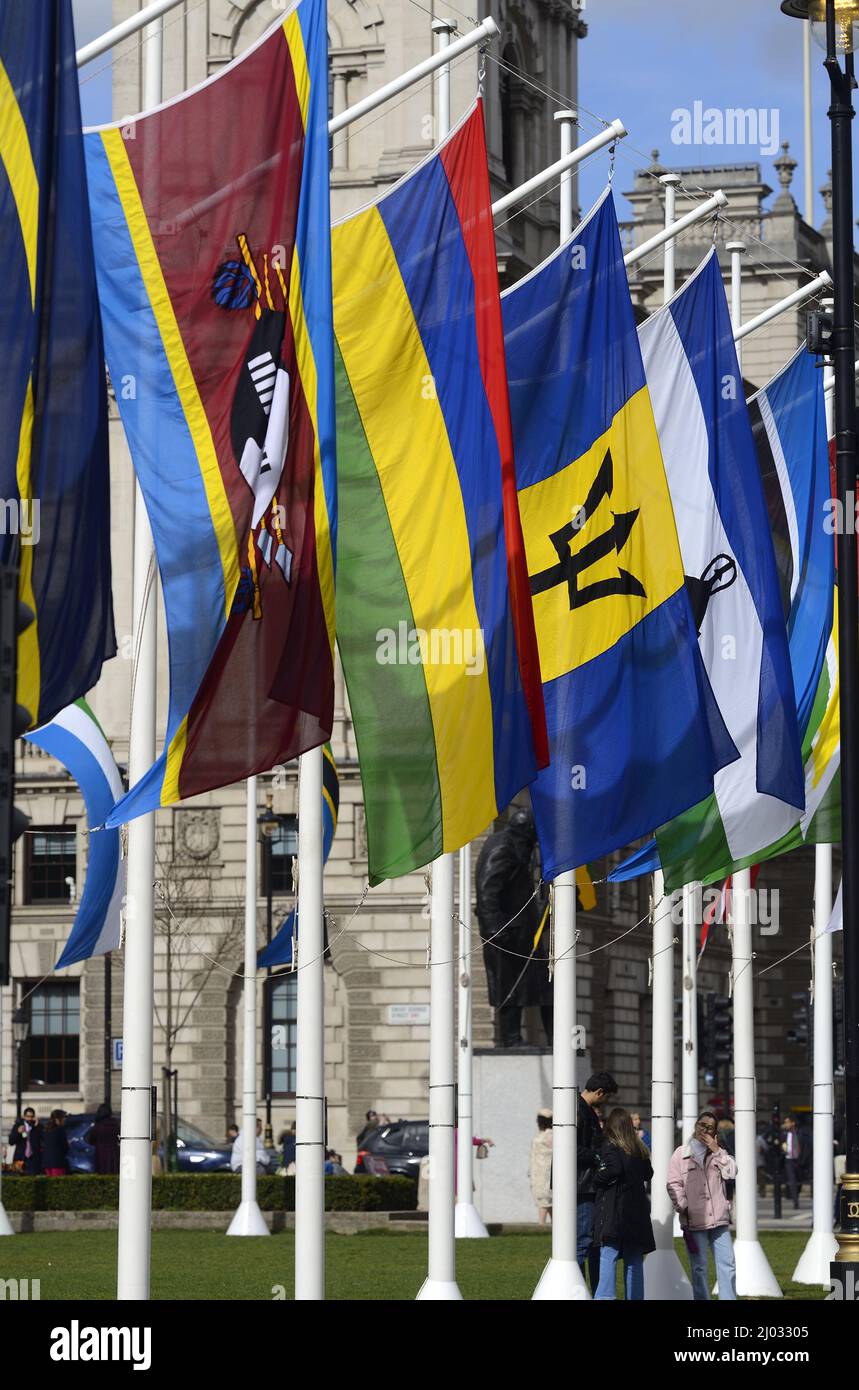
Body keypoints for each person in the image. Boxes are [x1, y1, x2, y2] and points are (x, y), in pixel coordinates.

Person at [475, 806, 552, 1046]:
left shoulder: (518, 846)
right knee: (510, 989)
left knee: (545, 988)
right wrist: (496, 930)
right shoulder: (503, 848)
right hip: (507, 934)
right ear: (527, 831)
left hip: (525, 932)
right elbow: (488, 891)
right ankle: (511, 1039)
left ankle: (556, 1040)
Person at [667, 1109, 738, 1301]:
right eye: (702, 1125)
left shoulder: (718, 1153)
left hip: (720, 1220)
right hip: (694, 1221)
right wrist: (683, 1206)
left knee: (728, 1264)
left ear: (714, 1132)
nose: (704, 1130)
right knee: (699, 1267)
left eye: (709, 1127)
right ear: (695, 1125)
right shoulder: (680, 1154)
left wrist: (717, 1151)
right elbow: (673, 1183)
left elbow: (731, 1173)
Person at [593, 1107, 655, 1300]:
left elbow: (614, 1169)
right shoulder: (639, 1149)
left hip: (614, 1211)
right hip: (637, 1212)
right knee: (634, 1261)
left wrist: (596, 1178)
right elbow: (648, 1173)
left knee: (608, 1256)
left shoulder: (610, 1145)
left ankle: (605, 1298)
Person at [578, 1071, 618, 1291]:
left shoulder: (586, 1111)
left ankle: (593, 1290)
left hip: (586, 1184)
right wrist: (597, 1157)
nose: (605, 1103)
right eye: (606, 1097)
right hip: (582, 1185)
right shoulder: (580, 1111)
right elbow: (573, 1149)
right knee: (583, 1241)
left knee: (592, 1241)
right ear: (600, 1092)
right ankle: (579, 1289)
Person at [529, 1109, 553, 1225]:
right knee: (547, 1201)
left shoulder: (548, 1135)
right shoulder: (546, 1135)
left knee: (544, 1201)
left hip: (544, 1174)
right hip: (541, 1173)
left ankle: (541, 1224)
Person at [86, 1103, 120, 1175]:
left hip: (101, 1154)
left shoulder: (98, 1126)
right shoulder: (115, 1124)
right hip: (114, 1153)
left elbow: (91, 1140)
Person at [8, 1106, 43, 1174]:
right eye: (27, 1116)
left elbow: (44, 1138)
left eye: (31, 1116)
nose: (29, 1118)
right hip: (21, 1158)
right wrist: (18, 1132)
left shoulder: (38, 1126)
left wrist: (37, 1127)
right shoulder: (18, 1125)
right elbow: (11, 1142)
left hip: (33, 1158)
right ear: (24, 1116)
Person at [782, 1116, 802, 1209]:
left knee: (799, 1180)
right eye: (785, 1122)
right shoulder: (784, 1134)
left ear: (792, 1123)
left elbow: (803, 1145)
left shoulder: (798, 1133)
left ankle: (796, 1195)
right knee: (792, 1181)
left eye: (787, 1122)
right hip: (788, 1159)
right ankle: (795, 1201)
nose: (786, 1124)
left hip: (798, 1159)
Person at [42, 1110, 69, 1176]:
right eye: (63, 1118)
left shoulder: (46, 1130)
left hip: (47, 1163)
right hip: (57, 1163)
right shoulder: (60, 1130)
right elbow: (65, 1147)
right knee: (58, 1184)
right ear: (57, 1119)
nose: (64, 1120)